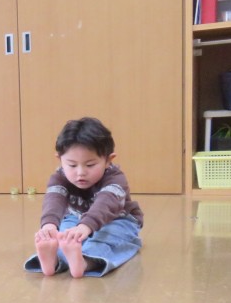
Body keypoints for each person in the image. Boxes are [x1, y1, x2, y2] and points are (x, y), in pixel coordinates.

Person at [24, 117, 144, 278]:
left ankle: (85, 262)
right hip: (76, 218)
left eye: (90, 165)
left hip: (118, 219)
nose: (80, 173)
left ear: (108, 160)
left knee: (107, 239)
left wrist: (85, 226)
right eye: (72, 165)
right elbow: (53, 200)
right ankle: (54, 260)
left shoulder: (115, 178)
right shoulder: (59, 177)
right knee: (64, 236)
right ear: (60, 160)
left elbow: (105, 204)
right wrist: (49, 226)